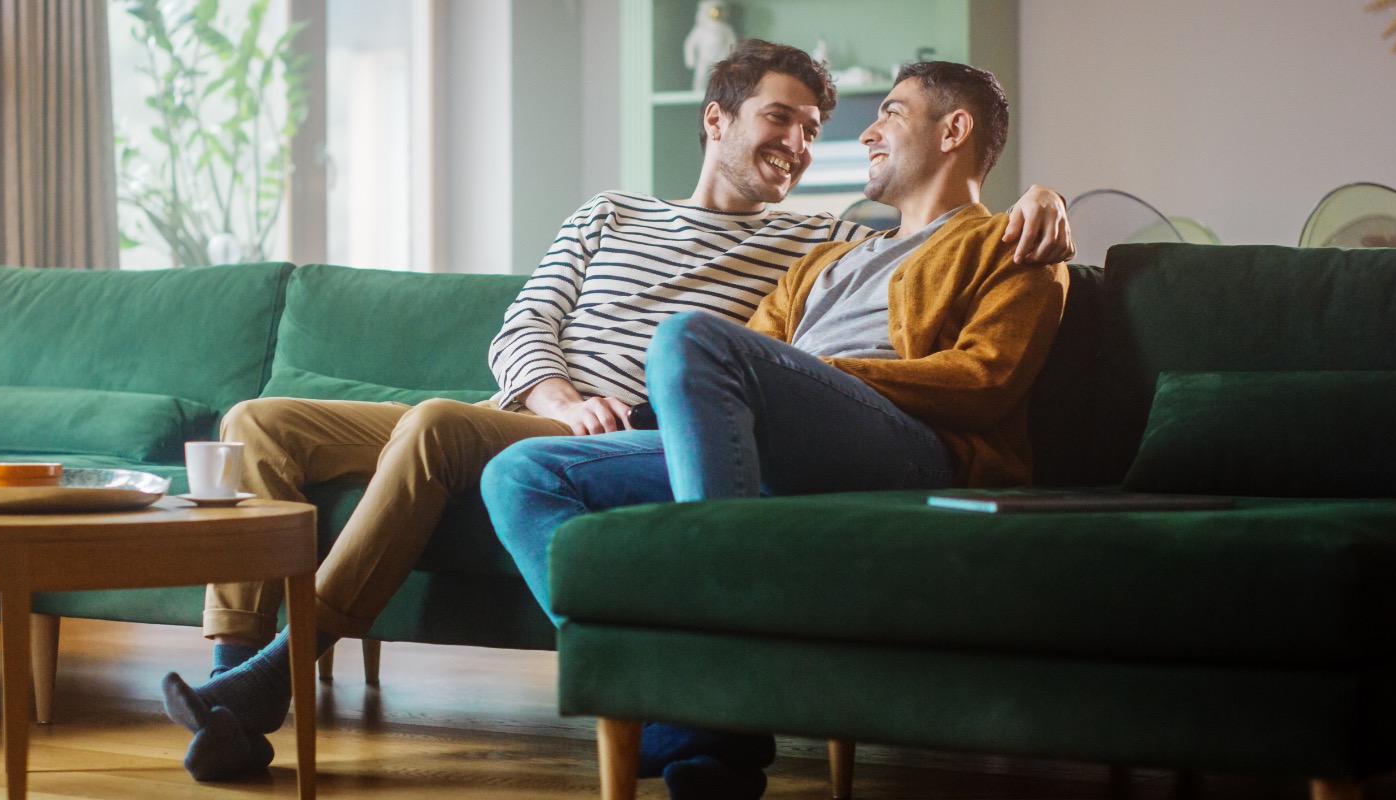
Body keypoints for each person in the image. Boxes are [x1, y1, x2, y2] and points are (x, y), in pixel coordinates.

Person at [160, 41, 1076, 780]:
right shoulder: (630, 217)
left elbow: (959, 319)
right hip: (543, 409)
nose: (806, 144)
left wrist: (1043, 193)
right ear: (714, 120)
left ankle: (279, 677)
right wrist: (555, 392)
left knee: (473, 415)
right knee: (261, 422)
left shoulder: (826, 229)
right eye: (780, 119)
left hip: (701, 419)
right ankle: (231, 686)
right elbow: (527, 322)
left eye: (818, 128)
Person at [480, 61, 1069, 799]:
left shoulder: (1013, 244)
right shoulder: (825, 258)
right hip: (770, 445)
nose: (867, 132)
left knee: (690, 336)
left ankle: (714, 696)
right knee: (522, 473)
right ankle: (692, 715)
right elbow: (745, 367)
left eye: (890, 112)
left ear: (955, 130)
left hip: (912, 450)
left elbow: (985, 383)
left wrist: (1045, 195)